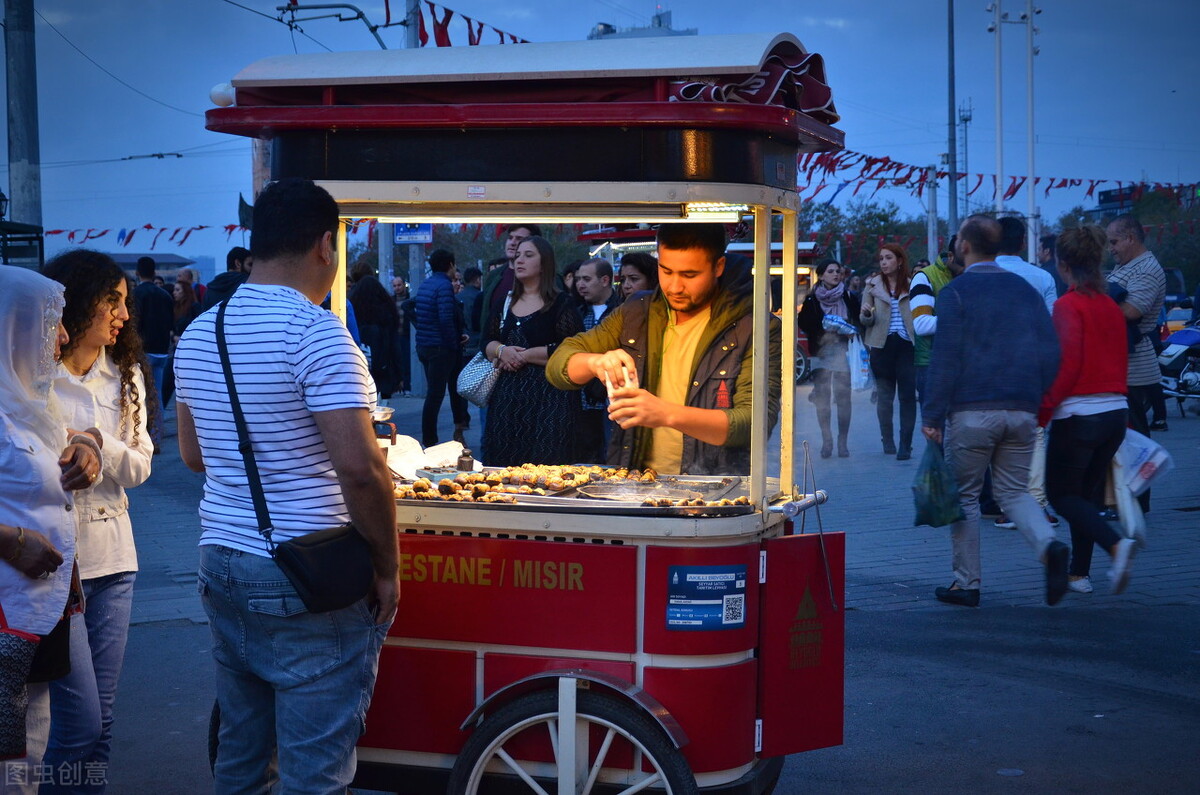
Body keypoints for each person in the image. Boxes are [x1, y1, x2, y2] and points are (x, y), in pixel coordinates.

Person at [172, 178, 398, 791]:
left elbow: (193, 455)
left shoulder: (202, 330)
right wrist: (387, 566)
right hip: (305, 573)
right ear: (326, 245)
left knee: (241, 757)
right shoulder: (316, 332)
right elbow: (361, 470)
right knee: (314, 772)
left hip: (221, 559)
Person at [41, 251, 155, 794]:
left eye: (125, 303)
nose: (123, 316)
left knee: (101, 723)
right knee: (78, 722)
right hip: (54, 564)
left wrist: (95, 440)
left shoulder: (124, 374)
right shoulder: (32, 370)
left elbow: (140, 466)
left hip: (115, 560)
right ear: (76, 300)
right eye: (112, 301)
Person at [548, 223, 782, 475]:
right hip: (636, 483)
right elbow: (558, 364)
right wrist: (594, 362)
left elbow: (754, 423)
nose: (674, 287)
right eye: (666, 271)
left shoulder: (755, 327)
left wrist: (665, 413)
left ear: (718, 267)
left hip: (714, 486)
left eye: (690, 275)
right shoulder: (637, 311)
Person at [921, 215, 1067, 608]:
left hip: (972, 412)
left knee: (966, 496)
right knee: (1014, 492)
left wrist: (932, 417)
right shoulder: (1025, 290)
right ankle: (1049, 545)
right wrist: (1036, 396)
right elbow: (1051, 349)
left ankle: (966, 584)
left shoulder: (955, 293)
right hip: (1021, 410)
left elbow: (945, 359)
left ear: (964, 246)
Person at [1, 266, 103, 791]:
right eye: (50, 324)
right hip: (8, 611)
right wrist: (11, 542)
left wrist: (86, 445)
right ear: (11, 326)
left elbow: (73, 434)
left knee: (31, 749)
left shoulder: (28, 401)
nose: (62, 337)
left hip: (44, 606)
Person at [1039, 226, 1136, 596]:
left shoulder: (1068, 306)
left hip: (1080, 415)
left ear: (1063, 265)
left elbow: (1066, 366)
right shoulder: (1110, 305)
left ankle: (1116, 545)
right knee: (1085, 497)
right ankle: (1079, 574)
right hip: (1115, 412)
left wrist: (1043, 413)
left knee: (1062, 495)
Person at [483, 236, 583, 465]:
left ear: (544, 263)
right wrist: (502, 351)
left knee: (545, 467)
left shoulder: (561, 303)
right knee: (503, 467)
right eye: (518, 255)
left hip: (550, 401)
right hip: (507, 401)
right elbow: (486, 340)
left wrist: (527, 355)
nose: (519, 260)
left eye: (528, 255)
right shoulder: (505, 302)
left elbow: (574, 348)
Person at [1106, 214, 1167, 439]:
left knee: (1133, 438)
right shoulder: (1129, 265)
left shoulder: (1146, 269)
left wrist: (1095, 306)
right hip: (1124, 362)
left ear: (1130, 238)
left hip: (1133, 366)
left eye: (1113, 242)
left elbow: (1131, 311)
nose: (1110, 249)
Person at [860, 244, 917, 460]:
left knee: (907, 397)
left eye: (889, 258)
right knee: (885, 397)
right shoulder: (872, 285)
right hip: (881, 346)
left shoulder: (912, 284)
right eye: (881, 258)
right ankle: (888, 440)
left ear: (900, 261)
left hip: (907, 345)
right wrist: (867, 314)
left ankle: (906, 444)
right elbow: (865, 319)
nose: (884, 262)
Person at [799, 259, 861, 458]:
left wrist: (849, 328)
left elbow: (859, 320)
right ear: (821, 275)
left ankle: (843, 442)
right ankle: (827, 440)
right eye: (831, 271)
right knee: (822, 400)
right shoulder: (812, 300)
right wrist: (824, 326)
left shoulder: (848, 297)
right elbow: (804, 324)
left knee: (843, 400)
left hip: (844, 353)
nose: (836, 274)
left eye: (838, 271)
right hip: (821, 353)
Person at [413, 249, 470, 448]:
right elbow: (445, 318)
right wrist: (454, 343)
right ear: (450, 265)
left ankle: (431, 438)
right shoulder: (444, 286)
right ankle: (430, 440)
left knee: (433, 393)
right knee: (438, 394)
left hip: (424, 345)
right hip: (441, 347)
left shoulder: (425, 284)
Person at [572, 258, 622, 463]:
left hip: (612, 396)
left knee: (612, 452)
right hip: (581, 397)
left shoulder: (622, 311)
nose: (580, 284)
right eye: (578, 279)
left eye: (586, 279)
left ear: (605, 280)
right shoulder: (577, 311)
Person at [909, 242, 958, 405]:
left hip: (965, 364)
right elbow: (922, 324)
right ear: (951, 256)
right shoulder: (924, 277)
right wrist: (964, 320)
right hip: (932, 365)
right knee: (936, 419)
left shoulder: (971, 275)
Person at [131, 257, 172, 447]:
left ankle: (141, 437)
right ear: (154, 272)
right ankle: (156, 437)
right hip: (161, 351)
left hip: (143, 350)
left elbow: (134, 324)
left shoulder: (136, 294)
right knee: (157, 395)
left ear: (137, 273)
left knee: (140, 394)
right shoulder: (165, 296)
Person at [349, 261, 400, 398]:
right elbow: (394, 336)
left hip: (359, 359)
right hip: (384, 361)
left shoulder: (351, 300)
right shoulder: (383, 298)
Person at [201, 247, 251, 311]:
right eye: (250, 264)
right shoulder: (247, 284)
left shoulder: (210, 289)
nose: (253, 269)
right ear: (238, 264)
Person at [391, 275, 412, 395]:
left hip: (406, 335)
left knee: (407, 361)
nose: (397, 288)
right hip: (395, 336)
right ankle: (398, 386)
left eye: (399, 285)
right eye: (395, 286)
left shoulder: (410, 299)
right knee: (397, 362)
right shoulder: (391, 301)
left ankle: (407, 386)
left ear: (404, 285)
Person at [1037, 233, 1067, 298]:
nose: (1037, 254)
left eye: (1039, 249)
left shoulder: (1041, 273)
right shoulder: (1065, 270)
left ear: (1046, 251)